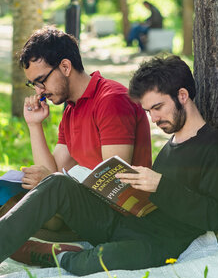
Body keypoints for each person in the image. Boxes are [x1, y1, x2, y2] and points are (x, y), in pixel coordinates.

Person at [0, 55, 218, 278]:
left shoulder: (214, 145)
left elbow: (215, 215)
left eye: (157, 108)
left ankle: (58, 255)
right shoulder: (171, 143)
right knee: (57, 184)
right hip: (124, 221)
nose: (154, 119)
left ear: (182, 96)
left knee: (93, 263)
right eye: (149, 111)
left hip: (158, 243)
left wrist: (160, 186)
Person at [17, 26, 152, 233]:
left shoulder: (111, 100)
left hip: (118, 215)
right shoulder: (72, 108)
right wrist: (34, 125)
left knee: (39, 214)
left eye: (41, 81)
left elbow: (115, 185)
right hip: (84, 204)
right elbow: (52, 172)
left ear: (65, 67)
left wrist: (53, 185)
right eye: (33, 84)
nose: (39, 92)